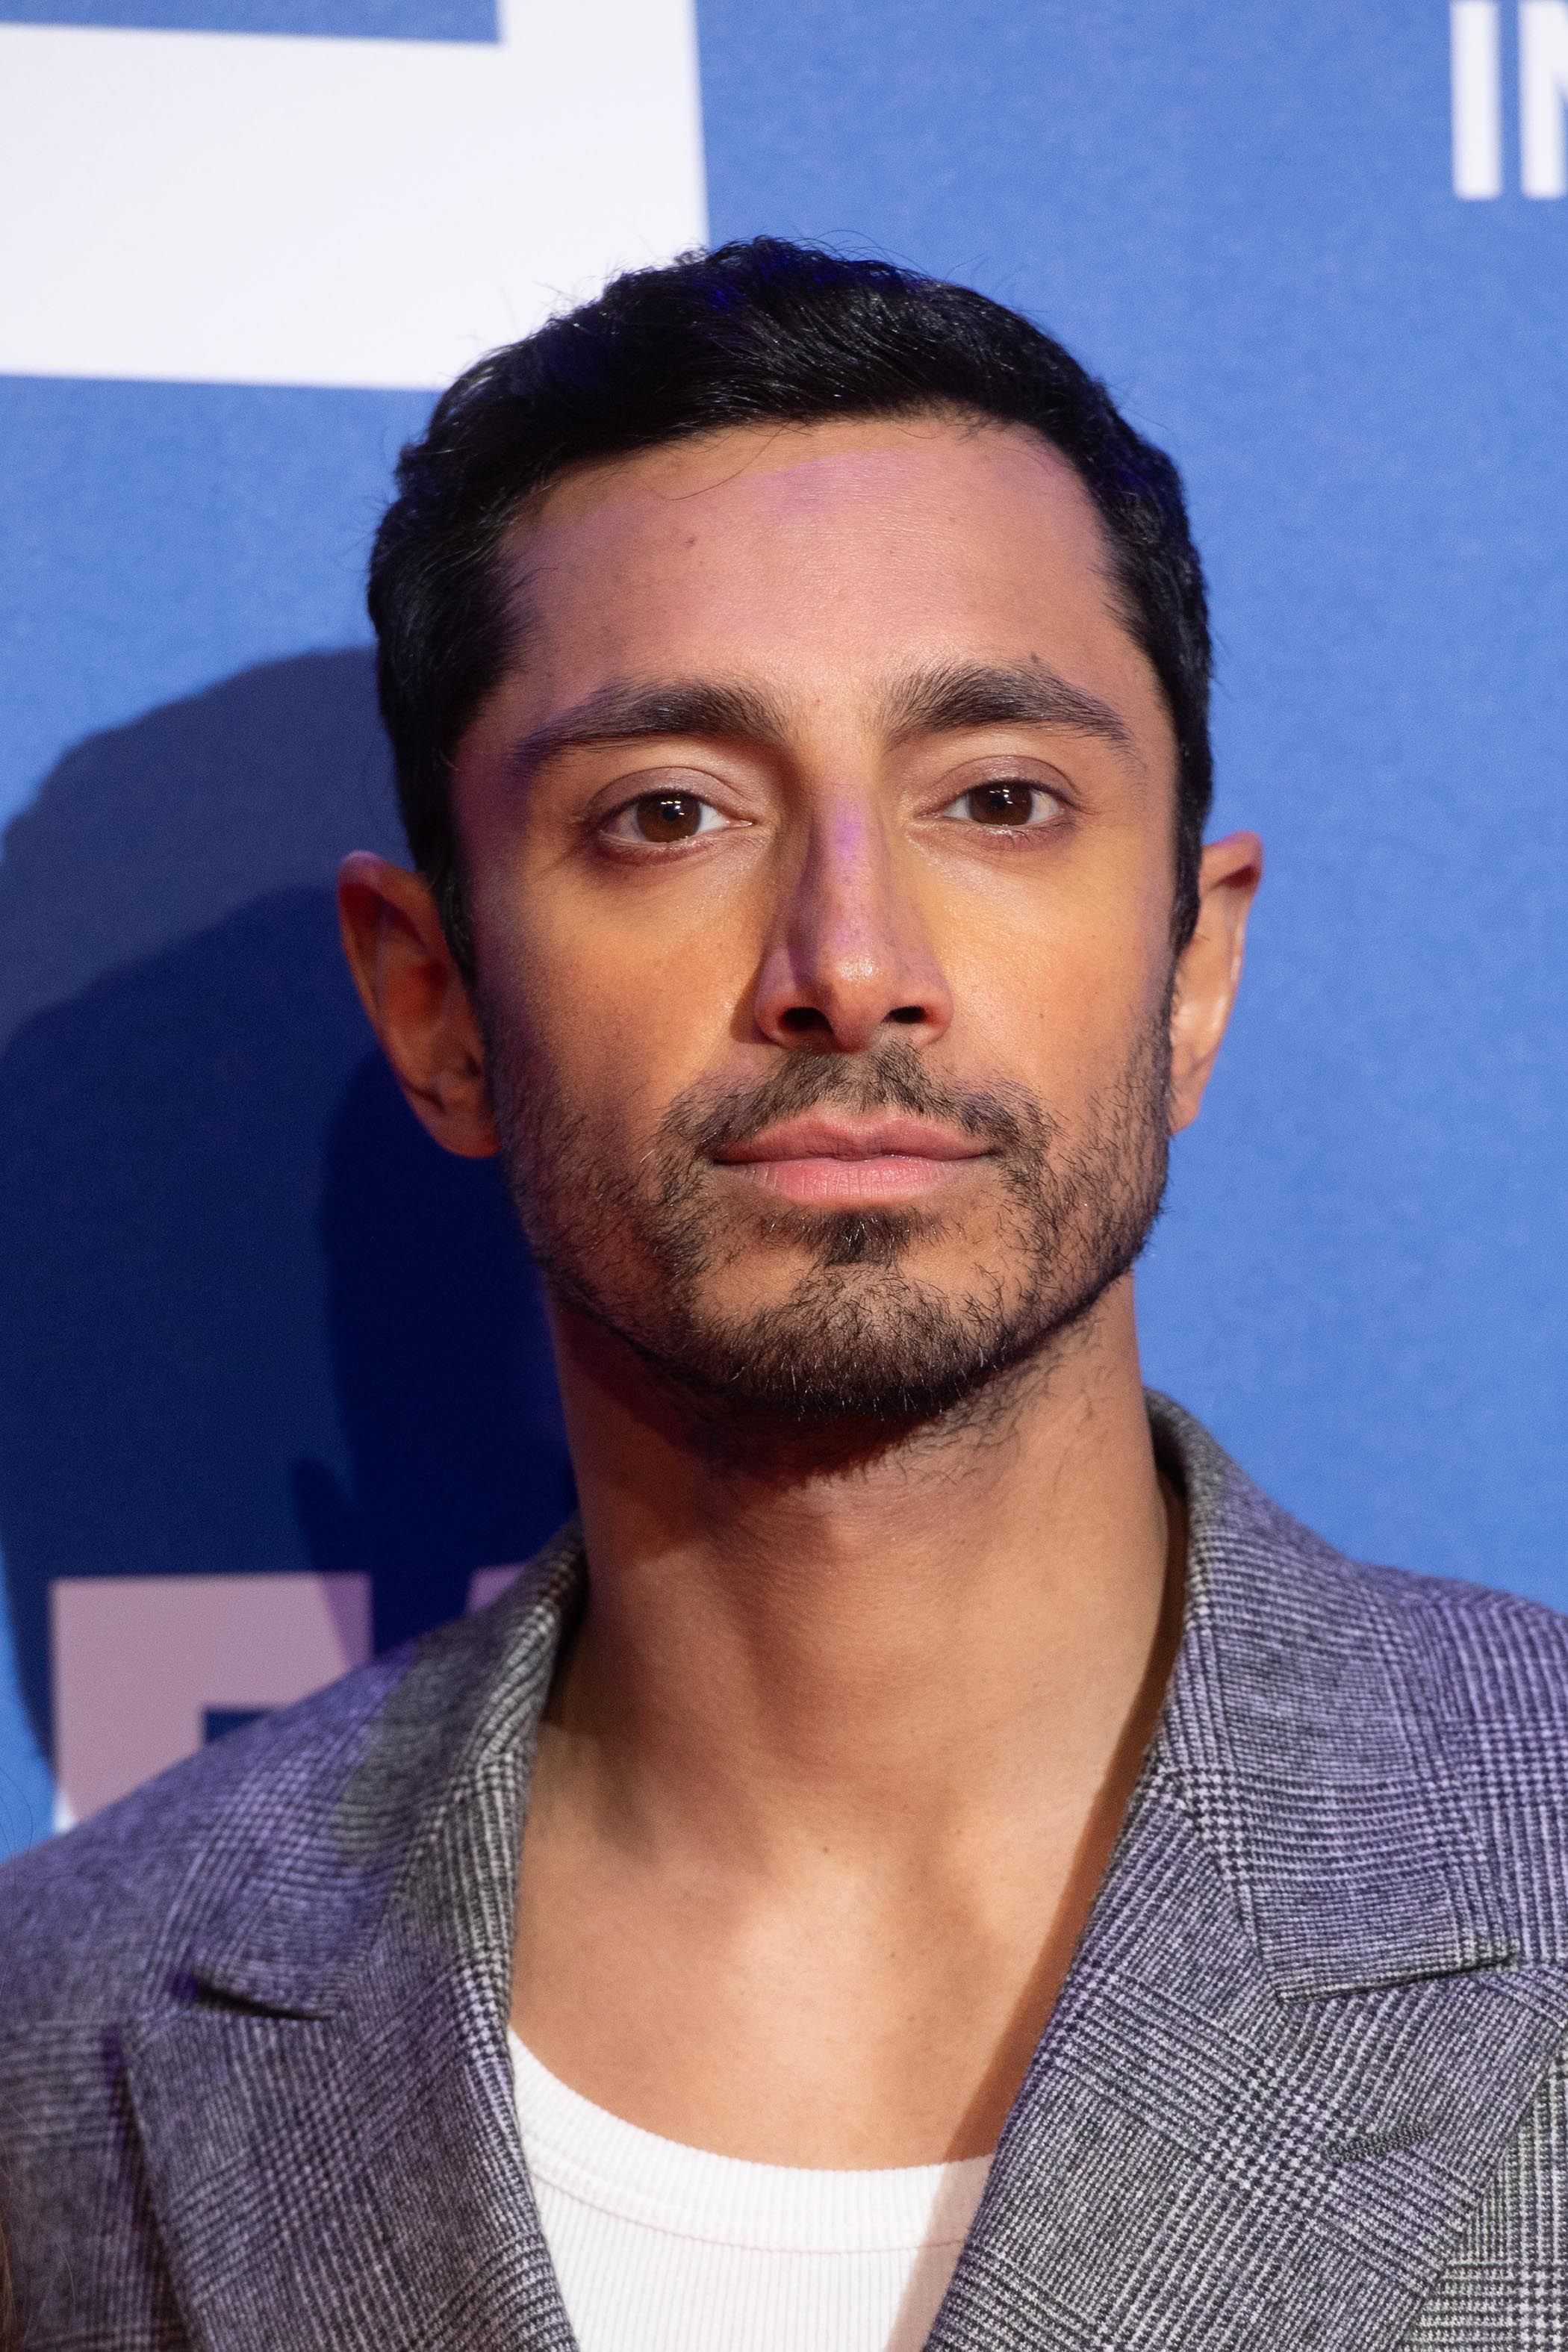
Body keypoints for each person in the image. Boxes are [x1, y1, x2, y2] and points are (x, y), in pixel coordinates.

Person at [1, 238, 1566, 2352]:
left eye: (996, 800)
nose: (846, 958)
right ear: (436, 999)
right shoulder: (71, 2026)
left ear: (1191, 973)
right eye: (668, 815)